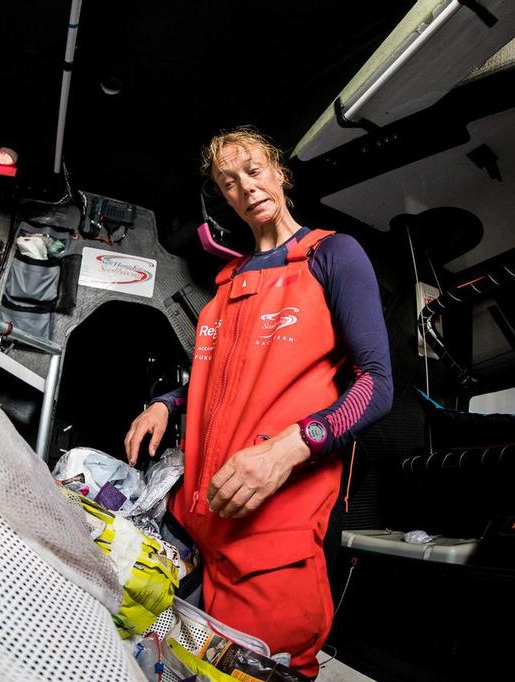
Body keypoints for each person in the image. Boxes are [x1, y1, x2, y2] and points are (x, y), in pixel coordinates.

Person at [124, 127, 392, 678]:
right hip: (192, 525)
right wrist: (167, 405)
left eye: (253, 170)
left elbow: (377, 383)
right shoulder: (226, 285)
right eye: (229, 182)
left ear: (279, 173)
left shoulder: (332, 255)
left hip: (270, 535)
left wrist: (288, 448)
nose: (245, 187)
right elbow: (220, 381)